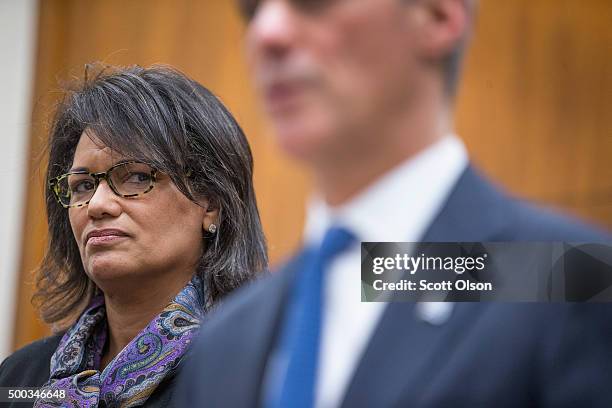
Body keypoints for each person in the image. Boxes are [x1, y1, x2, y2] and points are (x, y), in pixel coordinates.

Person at [179, 0, 612, 407]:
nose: (266, 31)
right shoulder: (224, 342)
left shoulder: (570, 279)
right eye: (252, 7)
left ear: (438, 16)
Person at [0, 64, 267, 407]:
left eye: (137, 177)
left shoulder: (254, 372)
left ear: (210, 202)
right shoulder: (19, 378)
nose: (96, 205)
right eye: (82, 185)